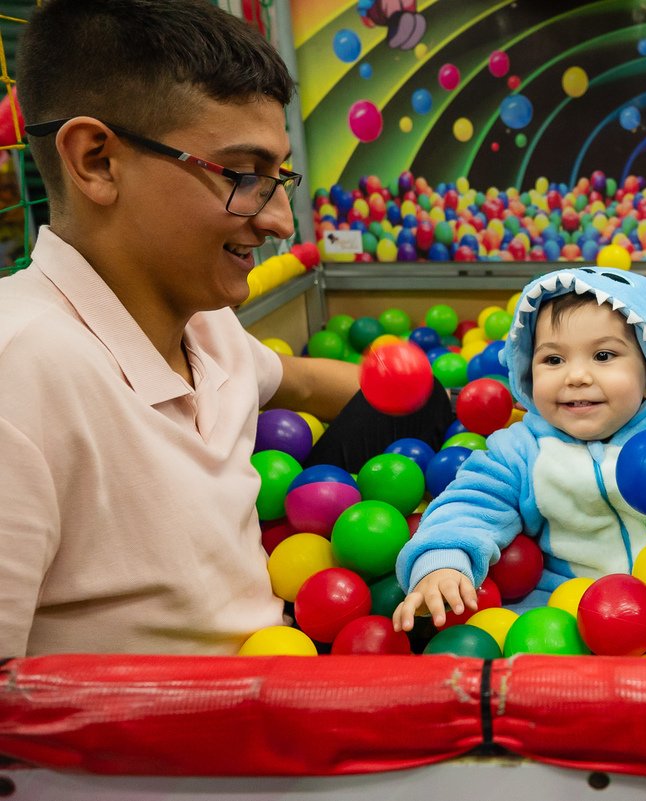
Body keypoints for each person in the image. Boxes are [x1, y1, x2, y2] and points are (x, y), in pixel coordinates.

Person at [0, 0, 450, 657]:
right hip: (202, 716)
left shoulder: (206, 323)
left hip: (292, 651)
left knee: (427, 398)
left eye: (279, 177)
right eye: (244, 176)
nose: (280, 222)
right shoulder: (20, 373)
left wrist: (497, 424)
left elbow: (306, 380)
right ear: (97, 161)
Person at [393, 267, 646, 630]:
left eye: (603, 356)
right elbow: (471, 503)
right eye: (553, 359)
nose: (576, 376)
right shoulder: (520, 449)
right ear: (527, 373)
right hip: (561, 614)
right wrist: (442, 562)